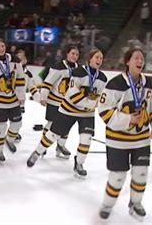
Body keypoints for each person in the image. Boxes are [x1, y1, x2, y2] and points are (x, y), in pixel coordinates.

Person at [97, 48, 152, 220]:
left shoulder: (151, 84)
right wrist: (128, 120)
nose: (140, 61)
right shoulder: (115, 83)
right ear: (127, 62)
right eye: (136, 58)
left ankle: (136, 203)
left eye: (142, 58)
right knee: (117, 176)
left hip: (141, 140)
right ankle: (107, 205)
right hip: (117, 140)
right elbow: (104, 111)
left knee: (141, 173)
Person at [27, 49, 107, 178]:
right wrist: (92, 103)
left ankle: (79, 163)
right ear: (90, 59)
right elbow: (73, 96)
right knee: (53, 134)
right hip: (68, 109)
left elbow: (101, 97)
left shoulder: (103, 78)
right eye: (97, 57)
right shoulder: (78, 72)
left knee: (86, 139)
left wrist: (97, 103)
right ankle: (37, 152)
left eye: (101, 58)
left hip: (87, 114)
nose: (99, 60)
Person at [38, 45, 79, 158]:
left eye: (76, 54)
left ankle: (60, 146)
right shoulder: (58, 66)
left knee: (66, 125)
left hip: (68, 103)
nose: (74, 56)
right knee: (51, 124)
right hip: (54, 101)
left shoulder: (78, 68)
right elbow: (48, 82)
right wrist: (43, 96)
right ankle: (42, 146)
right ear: (67, 54)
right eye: (72, 53)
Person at [16, 49, 40, 141]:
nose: (21, 59)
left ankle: (14, 133)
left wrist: (40, 98)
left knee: (17, 120)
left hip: (20, 101)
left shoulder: (27, 73)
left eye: (23, 57)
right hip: (7, 99)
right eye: (19, 57)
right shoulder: (10, 69)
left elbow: (32, 88)